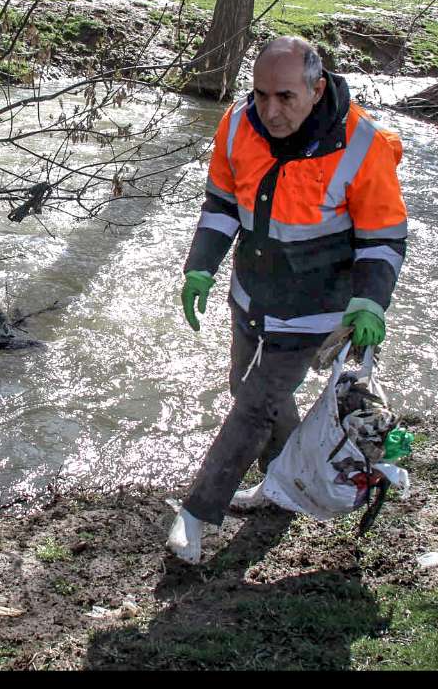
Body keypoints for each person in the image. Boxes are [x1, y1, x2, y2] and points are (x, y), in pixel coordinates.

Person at [168, 35, 408, 563]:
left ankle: (197, 513)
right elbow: (222, 204)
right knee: (247, 388)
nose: (270, 110)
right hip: (251, 295)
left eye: (284, 97)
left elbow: (383, 238)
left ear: (317, 89)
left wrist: (370, 303)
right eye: (260, 95)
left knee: (254, 405)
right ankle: (284, 486)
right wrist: (200, 268)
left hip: (317, 309)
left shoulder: (362, 145)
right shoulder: (236, 123)